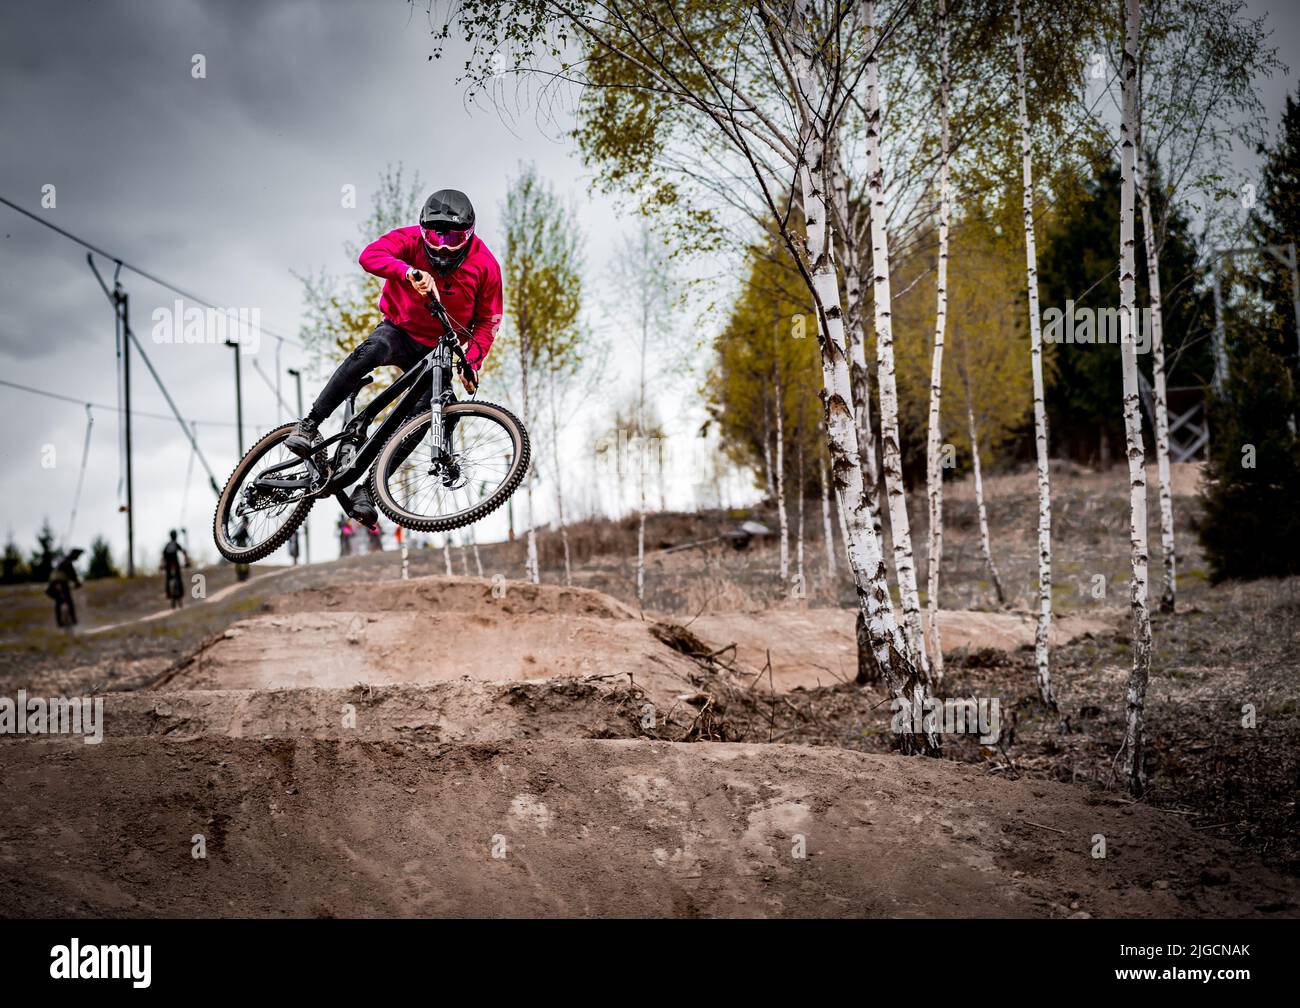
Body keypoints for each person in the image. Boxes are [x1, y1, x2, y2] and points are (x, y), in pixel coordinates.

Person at [285, 189, 503, 528]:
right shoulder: (409, 241)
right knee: (371, 350)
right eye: (435, 235)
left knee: (426, 415)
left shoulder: (486, 266)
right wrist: (407, 272)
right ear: (423, 231)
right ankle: (310, 425)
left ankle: (369, 491)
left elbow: (488, 320)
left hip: (439, 350)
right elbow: (370, 256)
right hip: (398, 330)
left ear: (470, 234)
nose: (443, 245)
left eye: (454, 237)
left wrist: (471, 362)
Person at [46, 548, 83, 628]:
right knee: (68, 601)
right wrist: (77, 583)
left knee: (59, 601)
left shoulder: (62, 561)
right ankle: (73, 620)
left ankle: (60, 622)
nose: (77, 558)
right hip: (61, 583)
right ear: (73, 555)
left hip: (52, 584)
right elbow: (73, 575)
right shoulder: (67, 562)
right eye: (77, 556)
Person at [162, 529, 190, 609]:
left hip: (168, 565)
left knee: (168, 580)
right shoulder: (176, 544)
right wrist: (187, 561)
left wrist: (162, 565)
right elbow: (183, 552)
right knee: (179, 579)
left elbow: (163, 556)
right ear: (175, 536)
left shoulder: (167, 545)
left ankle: (168, 594)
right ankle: (180, 595)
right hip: (175, 564)